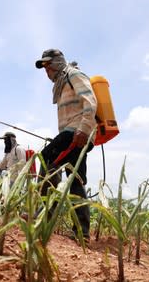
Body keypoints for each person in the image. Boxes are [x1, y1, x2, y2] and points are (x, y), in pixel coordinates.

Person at [35, 48, 97, 243]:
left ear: (58, 63)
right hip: (72, 132)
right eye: (44, 67)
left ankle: (43, 217)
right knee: (76, 180)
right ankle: (82, 233)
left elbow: (91, 101)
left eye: (48, 65)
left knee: (46, 162)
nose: (47, 70)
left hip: (76, 132)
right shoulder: (62, 84)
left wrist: (84, 129)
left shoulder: (74, 75)